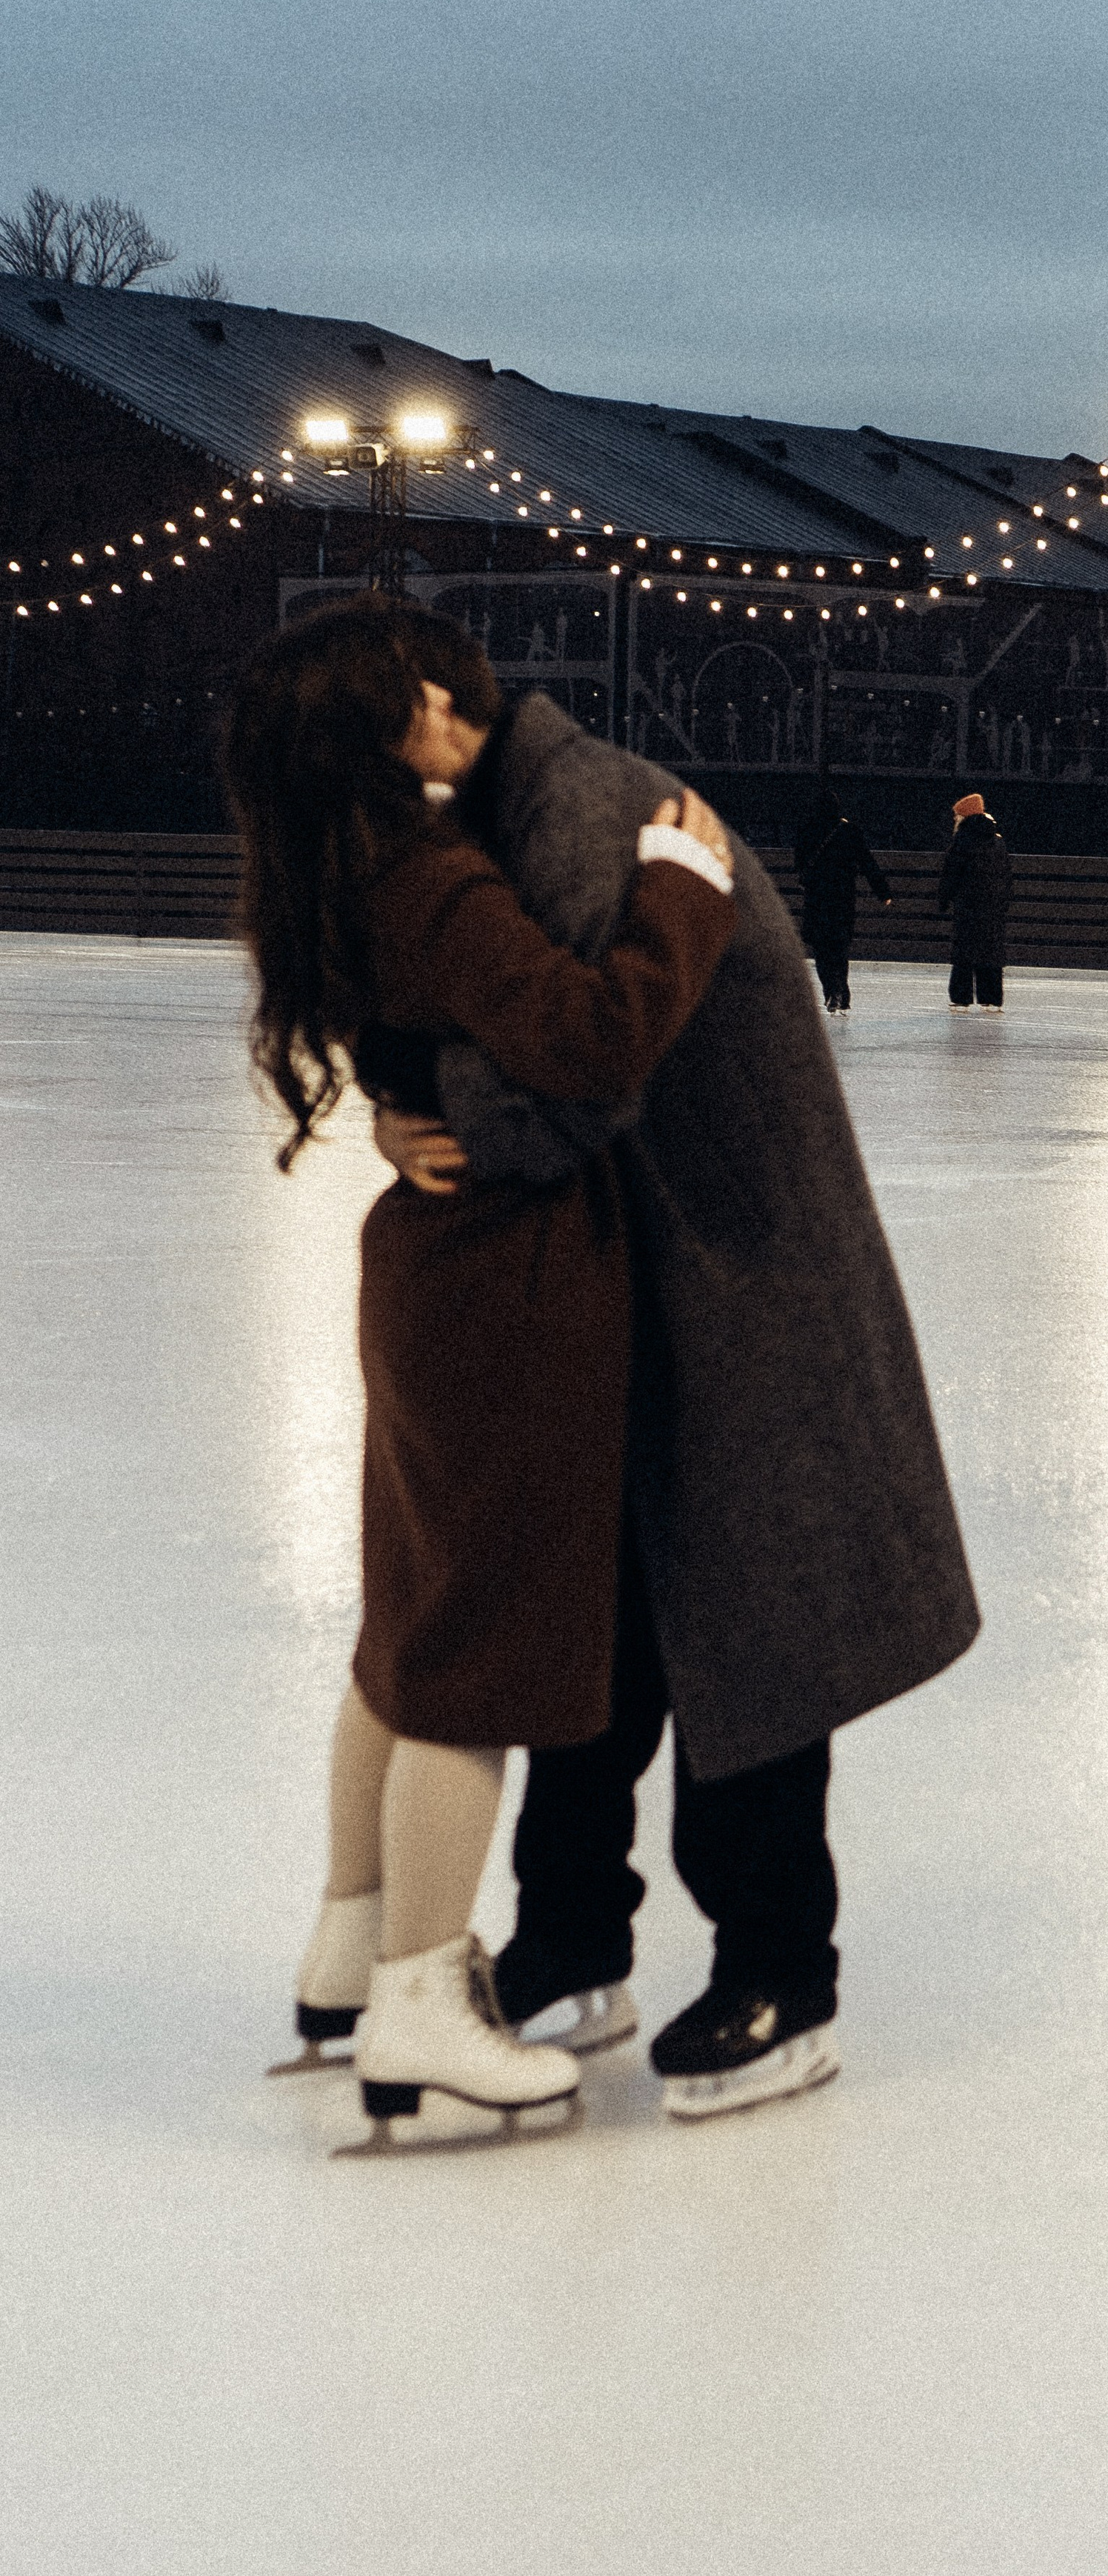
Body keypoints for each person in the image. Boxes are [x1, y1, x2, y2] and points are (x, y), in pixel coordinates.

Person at [364, 606, 981, 2120]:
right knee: (607, 1624)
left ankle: (786, 1970)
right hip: (640, 1273)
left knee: (746, 1636)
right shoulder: (517, 809)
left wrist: (424, 1108)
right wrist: (404, 1104)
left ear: (444, 710)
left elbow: (574, 1075)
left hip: (741, 1272)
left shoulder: (584, 819)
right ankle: (574, 1939)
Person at [227, 595, 735, 2149]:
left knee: (406, 1624)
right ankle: (421, 2003)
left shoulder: (329, 876)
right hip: (508, 1288)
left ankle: (348, 1935)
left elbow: (421, 1043)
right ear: (402, 728)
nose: (471, 714)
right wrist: (682, 890)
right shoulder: (435, 878)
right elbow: (591, 1035)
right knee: (475, 1661)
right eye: (443, 698)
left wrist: (393, 1110)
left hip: (426, 1273)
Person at [793, 788, 892, 1011]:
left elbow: (798, 863)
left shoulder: (807, 831)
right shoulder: (849, 831)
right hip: (842, 899)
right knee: (839, 949)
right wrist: (883, 892)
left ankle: (831, 992)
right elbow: (867, 863)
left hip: (817, 899)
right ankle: (842, 993)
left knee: (821, 950)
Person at [937, 791, 1012, 1011]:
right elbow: (1006, 874)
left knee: (964, 952)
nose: (954, 820)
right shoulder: (997, 842)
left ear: (964, 817)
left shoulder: (961, 840)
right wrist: (1003, 901)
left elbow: (951, 874)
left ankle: (961, 998)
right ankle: (992, 998)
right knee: (991, 951)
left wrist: (944, 900)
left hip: (968, 906)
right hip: (993, 907)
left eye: (957, 816)